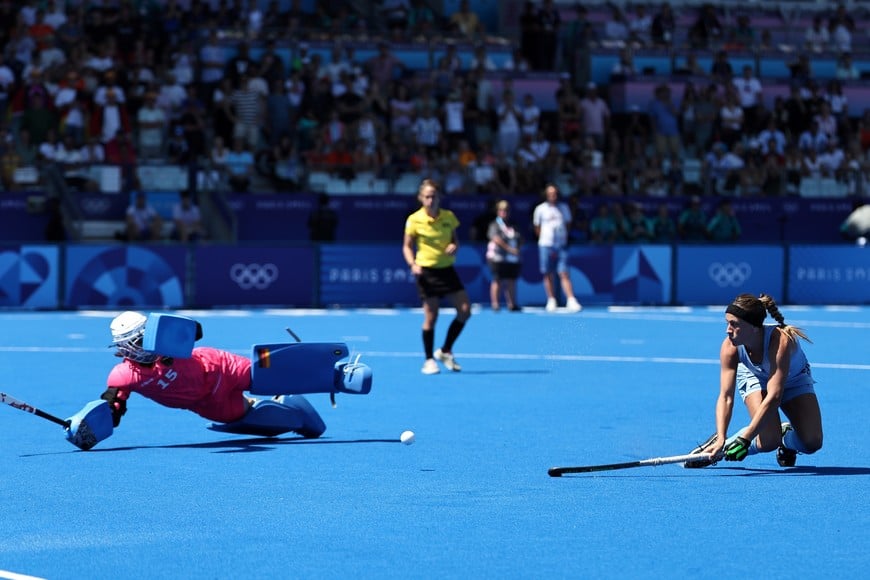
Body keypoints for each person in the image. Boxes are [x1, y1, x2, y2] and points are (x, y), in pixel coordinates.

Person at [94, 311, 335, 444]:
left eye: (142, 337)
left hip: (220, 367)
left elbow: (196, 330)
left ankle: (338, 376)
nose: (140, 345)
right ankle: (286, 403)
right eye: (133, 342)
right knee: (271, 423)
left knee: (267, 376)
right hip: (207, 403)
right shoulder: (122, 376)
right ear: (123, 347)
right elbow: (111, 410)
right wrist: (86, 429)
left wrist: (176, 331)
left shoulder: (166, 338)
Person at [685, 294, 823, 469]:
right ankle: (717, 446)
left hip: (794, 380)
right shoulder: (729, 347)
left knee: (812, 442)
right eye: (727, 323)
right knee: (769, 441)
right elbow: (726, 397)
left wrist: (745, 438)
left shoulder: (780, 341)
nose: (728, 330)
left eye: (734, 324)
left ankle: (786, 438)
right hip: (755, 377)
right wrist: (722, 436)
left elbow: (774, 396)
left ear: (754, 327)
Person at [402, 179, 472, 375]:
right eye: (427, 196)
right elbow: (407, 246)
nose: (431, 200)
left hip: (447, 270)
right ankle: (429, 360)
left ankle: (445, 350)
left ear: (439, 198)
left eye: (434, 196)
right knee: (432, 317)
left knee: (465, 310)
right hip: (426, 271)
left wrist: (454, 246)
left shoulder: (449, 217)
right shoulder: (414, 220)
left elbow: (455, 241)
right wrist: (412, 264)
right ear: (421, 198)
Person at [532, 183, 582, 312]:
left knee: (563, 272)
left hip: (561, 245)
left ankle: (571, 299)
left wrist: (562, 237)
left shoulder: (564, 208)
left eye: (554, 193)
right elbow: (537, 228)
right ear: (546, 195)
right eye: (550, 194)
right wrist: (546, 239)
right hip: (545, 245)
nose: (552, 196)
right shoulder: (540, 209)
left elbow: (568, 224)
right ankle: (551, 300)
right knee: (547, 273)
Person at [486, 199, 523, 312]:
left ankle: (512, 304)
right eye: (501, 210)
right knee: (497, 280)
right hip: (497, 257)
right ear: (498, 212)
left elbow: (520, 238)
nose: (504, 213)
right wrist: (509, 249)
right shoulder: (494, 225)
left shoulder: (513, 225)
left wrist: (517, 248)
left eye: (506, 210)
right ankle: (495, 304)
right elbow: (495, 239)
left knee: (511, 280)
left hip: (511, 259)